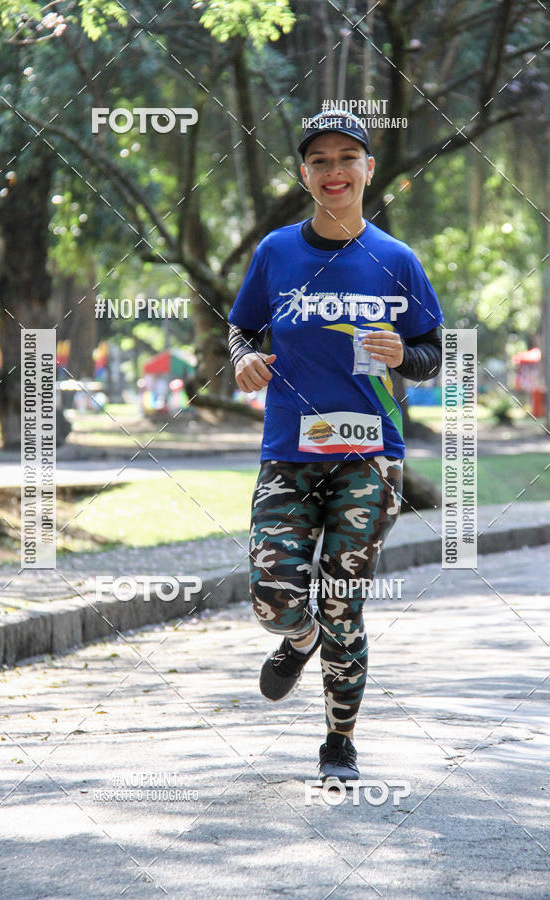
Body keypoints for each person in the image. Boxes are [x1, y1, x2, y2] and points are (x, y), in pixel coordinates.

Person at [228, 110, 444, 783]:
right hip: (289, 453)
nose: (333, 171)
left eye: (347, 157)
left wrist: (401, 354)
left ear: (368, 170)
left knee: (343, 599)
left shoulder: (396, 259)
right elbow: (240, 330)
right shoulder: (275, 253)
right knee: (273, 596)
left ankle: (338, 744)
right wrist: (243, 361)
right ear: (303, 174)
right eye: (318, 160)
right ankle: (298, 638)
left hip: (369, 456)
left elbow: (435, 354)